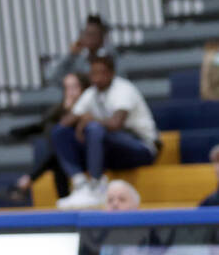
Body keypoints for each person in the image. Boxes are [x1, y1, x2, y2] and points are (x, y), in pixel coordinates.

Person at [53, 55, 159, 209]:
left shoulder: (123, 89)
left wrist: (89, 120)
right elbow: (64, 123)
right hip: (111, 150)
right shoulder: (91, 93)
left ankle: (96, 186)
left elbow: (116, 123)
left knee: (94, 128)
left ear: (111, 73)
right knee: (59, 132)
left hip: (140, 146)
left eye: (101, 73)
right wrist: (70, 105)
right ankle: (81, 183)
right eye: (93, 73)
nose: (96, 78)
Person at [7, 71, 89, 201]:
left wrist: (68, 109)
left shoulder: (88, 104)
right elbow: (44, 123)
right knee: (57, 156)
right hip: (63, 156)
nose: (70, 91)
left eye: (74, 87)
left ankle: (25, 182)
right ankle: (62, 200)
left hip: (86, 153)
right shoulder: (60, 107)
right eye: (67, 87)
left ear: (84, 87)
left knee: (58, 152)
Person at [43, 14, 116, 86]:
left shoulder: (111, 58)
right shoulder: (78, 61)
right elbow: (52, 78)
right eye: (87, 34)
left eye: (93, 34)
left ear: (102, 37)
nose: (90, 38)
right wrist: (71, 55)